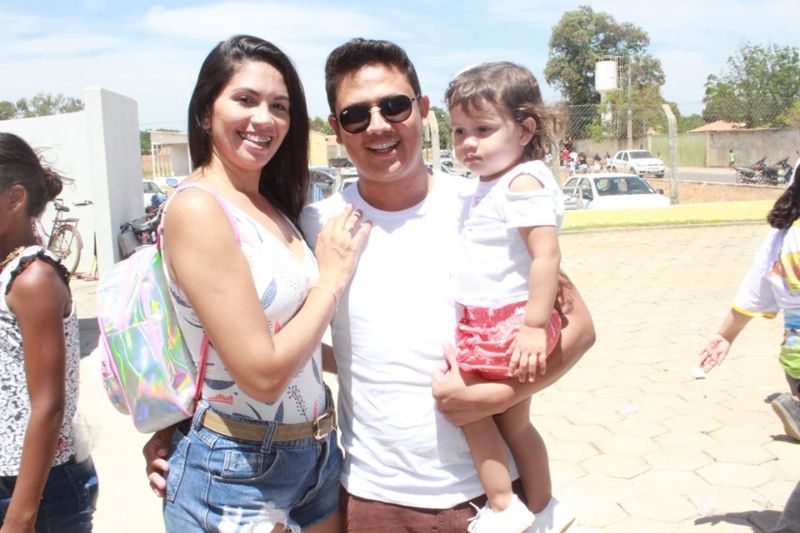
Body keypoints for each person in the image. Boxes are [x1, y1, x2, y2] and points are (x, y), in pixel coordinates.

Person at [146, 37, 595, 533]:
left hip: (493, 497)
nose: (378, 125)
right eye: (356, 115)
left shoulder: (486, 206)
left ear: (422, 110)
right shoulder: (315, 226)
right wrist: (186, 429)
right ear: (337, 130)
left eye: (394, 106)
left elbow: (579, 328)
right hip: (369, 497)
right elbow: (248, 337)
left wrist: (497, 396)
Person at [148, 35, 368, 532]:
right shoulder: (199, 208)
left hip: (314, 451)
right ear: (206, 111)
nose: (264, 119)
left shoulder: (270, 205)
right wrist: (330, 280)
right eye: (245, 100)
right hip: (238, 468)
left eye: (279, 106)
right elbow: (262, 376)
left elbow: (290, 342)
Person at [444, 62, 572, 532]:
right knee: (514, 424)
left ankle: (505, 507)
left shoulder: (522, 183)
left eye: (483, 129)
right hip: (498, 322)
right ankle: (545, 509)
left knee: (465, 407)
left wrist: (534, 327)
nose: (468, 143)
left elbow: (546, 255)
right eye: (459, 131)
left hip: (506, 325)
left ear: (525, 129)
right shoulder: (495, 183)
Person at [0, 132, 98, 531]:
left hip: (35, 490)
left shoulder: (33, 277)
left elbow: (49, 406)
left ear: (15, 198)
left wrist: (20, 517)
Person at [699, 159, 800, 446]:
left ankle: (797, 406)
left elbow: (752, 293)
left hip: (794, 353)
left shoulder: (782, 236)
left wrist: (725, 335)